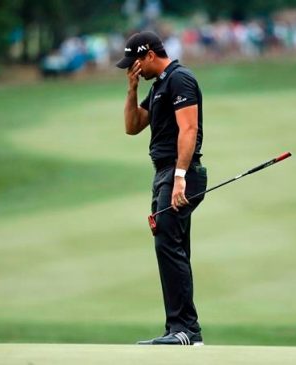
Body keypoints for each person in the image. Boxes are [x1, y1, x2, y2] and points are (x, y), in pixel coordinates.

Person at [116, 31, 207, 346]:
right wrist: (131, 89)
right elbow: (133, 126)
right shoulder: (158, 87)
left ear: (149, 55)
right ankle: (185, 331)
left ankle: (183, 329)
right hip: (165, 174)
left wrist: (180, 176)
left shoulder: (179, 79)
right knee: (173, 244)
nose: (134, 68)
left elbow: (189, 128)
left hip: (180, 172)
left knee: (167, 243)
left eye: (135, 62)